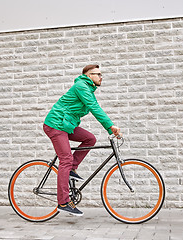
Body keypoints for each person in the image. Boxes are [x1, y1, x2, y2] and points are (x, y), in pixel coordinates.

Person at [43, 64, 121, 216]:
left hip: (66, 125)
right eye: (97, 74)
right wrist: (110, 126)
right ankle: (63, 202)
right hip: (55, 125)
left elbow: (91, 106)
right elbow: (94, 107)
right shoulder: (81, 86)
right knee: (65, 159)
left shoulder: (88, 89)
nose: (101, 76)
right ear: (88, 75)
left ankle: (72, 168)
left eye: (101, 74)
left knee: (89, 139)